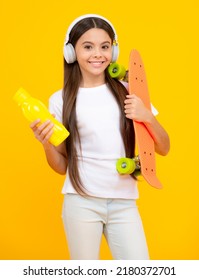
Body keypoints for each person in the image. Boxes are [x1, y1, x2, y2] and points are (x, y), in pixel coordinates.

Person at [30, 14, 170, 260]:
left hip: (124, 203)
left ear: (113, 52)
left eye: (105, 47)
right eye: (88, 47)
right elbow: (61, 167)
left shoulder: (129, 91)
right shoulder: (59, 100)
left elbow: (164, 147)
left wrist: (147, 116)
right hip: (81, 203)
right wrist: (46, 144)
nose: (98, 54)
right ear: (72, 53)